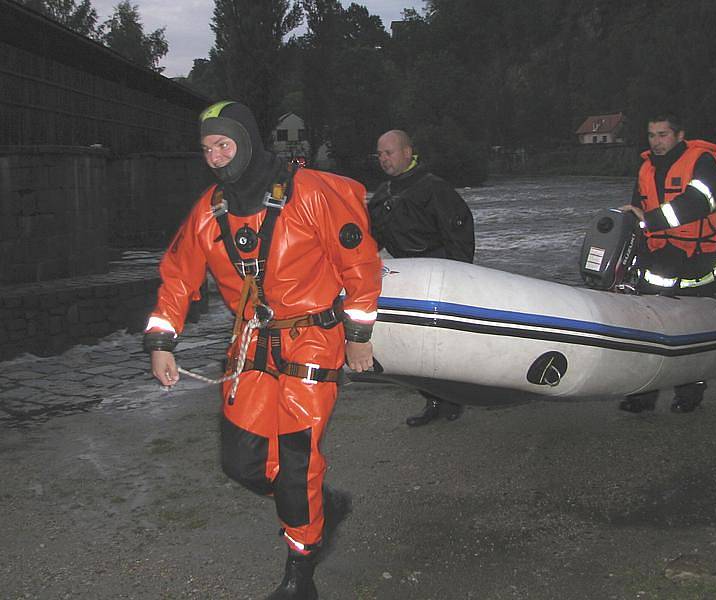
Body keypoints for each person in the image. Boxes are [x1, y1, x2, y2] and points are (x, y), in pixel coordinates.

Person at [143, 101, 382, 598]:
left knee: (296, 462)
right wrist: (162, 342)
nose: (215, 158)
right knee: (243, 464)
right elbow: (178, 275)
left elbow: (359, 265)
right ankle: (319, 505)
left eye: (224, 145)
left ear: (247, 142)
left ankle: (300, 573)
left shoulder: (312, 194)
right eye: (207, 149)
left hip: (313, 339)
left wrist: (359, 337)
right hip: (251, 342)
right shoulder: (210, 210)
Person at [619, 113, 716, 413]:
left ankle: (689, 395)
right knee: (649, 330)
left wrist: (649, 219)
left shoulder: (703, 162)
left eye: (663, 135)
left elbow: (697, 203)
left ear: (680, 135)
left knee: (693, 331)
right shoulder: (645, 168)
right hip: (658, 261)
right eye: (652, 135)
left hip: (697, 262)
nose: (656, 141)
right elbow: (636, 210)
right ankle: (642, 396)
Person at [368, 129, 475, 426]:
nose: (383, 159)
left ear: (407, 153)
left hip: (441, 273)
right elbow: (371, 239)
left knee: (445, 344)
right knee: (418, 345)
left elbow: (460, 233)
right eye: (379, 154)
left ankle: (453, 399)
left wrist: (457, 276)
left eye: (388, 153)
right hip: (408, 275)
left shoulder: (434, 189)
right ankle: (433, 400)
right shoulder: (382, 195)